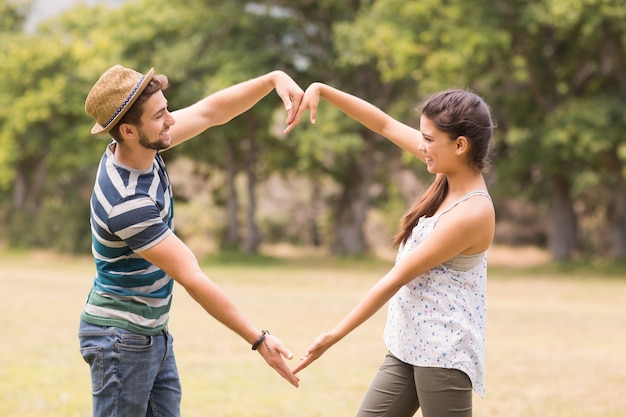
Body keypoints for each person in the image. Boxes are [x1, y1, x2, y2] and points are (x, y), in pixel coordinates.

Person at [79, 64, 303, 417]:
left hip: (150, 333)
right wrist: (258, 340)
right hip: (120, 340)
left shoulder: (140, 147)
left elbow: (210, 111)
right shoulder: (127, 203)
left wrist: (271, 79)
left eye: (166, 108)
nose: (170, 120)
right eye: (160, 115)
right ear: (129, 130)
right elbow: (192, 277)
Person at [285, 83, 495, 417]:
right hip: (407, 345)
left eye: (429, 139)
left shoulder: (472, 212)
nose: (421, 145)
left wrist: (334, 335)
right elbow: (382, 124)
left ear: (460, 145)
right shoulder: (448, 175)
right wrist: (324, 91)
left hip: (442, 355)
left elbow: (397, 278)